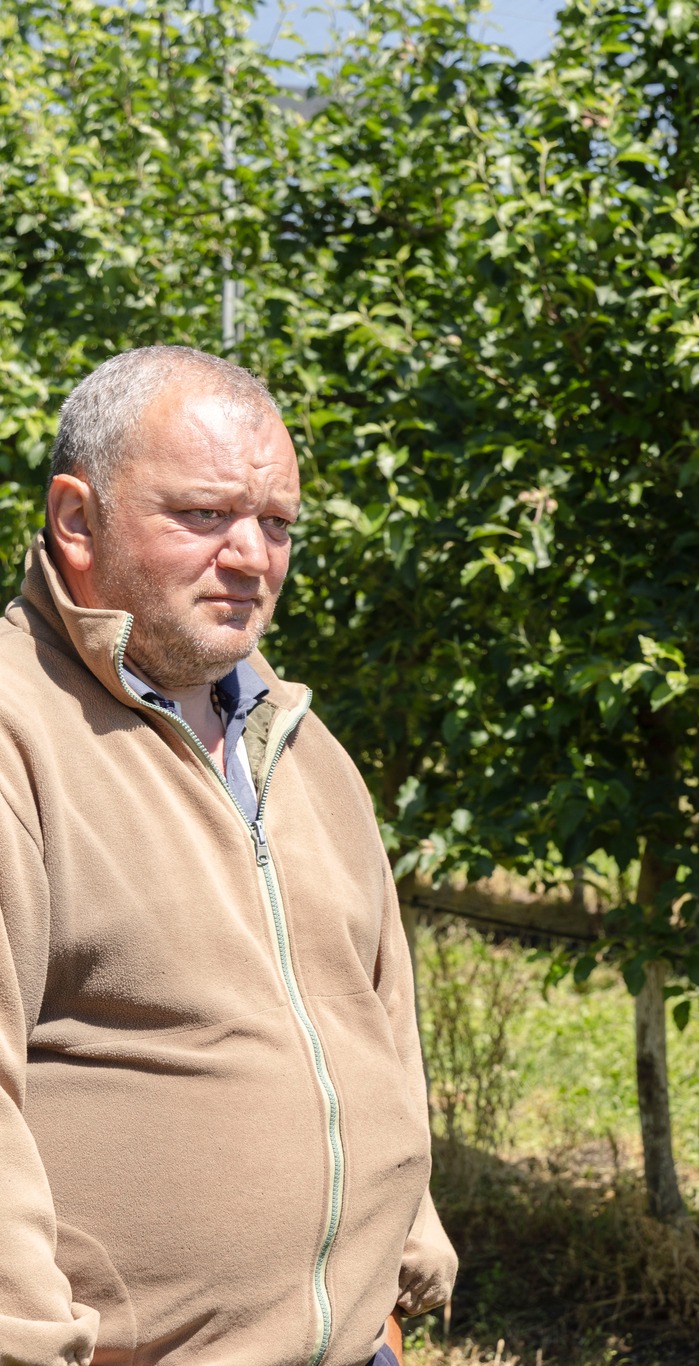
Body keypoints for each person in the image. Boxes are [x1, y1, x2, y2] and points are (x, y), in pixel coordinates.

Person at [0, 347, 456, 1365]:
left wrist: (406, 1238)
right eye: (205, 514)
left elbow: (376, 1010)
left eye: (277, 523)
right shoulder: (17, 733)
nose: (252, 556)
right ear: (76, 519)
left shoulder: (298, 739)